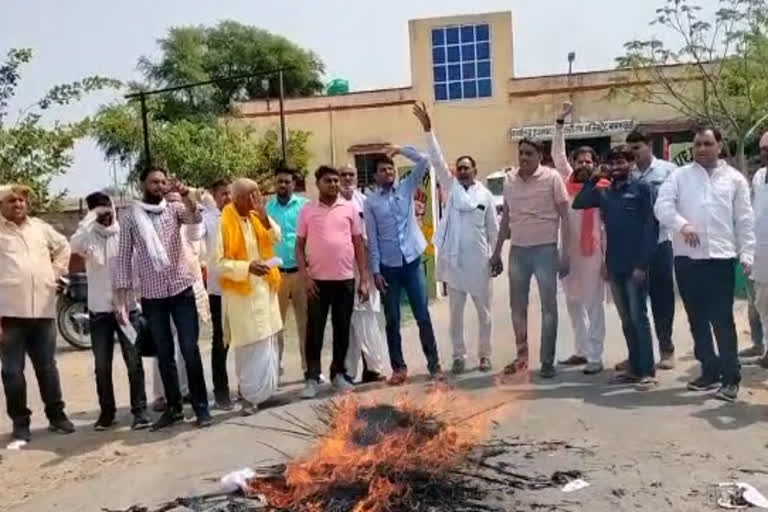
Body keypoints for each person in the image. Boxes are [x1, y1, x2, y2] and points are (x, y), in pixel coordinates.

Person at [655, 127, 754, 403]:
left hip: (721, 259)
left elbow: (744, 220)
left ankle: (731, 378)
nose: (701, 148)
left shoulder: (734, 180)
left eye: (707, 143)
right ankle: (708, 371)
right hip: (687, 259)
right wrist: (681, 224)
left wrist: (747, 255)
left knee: (722, 320)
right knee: (697, 320)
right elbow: (662, 207)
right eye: (697, 144)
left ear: (719, 146)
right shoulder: (679, 177)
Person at [115, 167, 213, 430]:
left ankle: (202, 409)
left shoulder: (174, 208)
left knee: (190, 350)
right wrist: (121, 298)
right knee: (165, 355)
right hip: (152, 296)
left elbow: (194, 219)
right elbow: (123, 256)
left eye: (162, 182)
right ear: (142, 185)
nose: (158, 186)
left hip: (182, 290)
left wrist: (187, 195)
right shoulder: (130, 217)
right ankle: (173, 410)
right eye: (153, 182)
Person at [413, 103, 499, 374]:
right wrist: (428, 130)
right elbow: (437, 161)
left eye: (466, 168)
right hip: (455, 265)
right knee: (456, 317)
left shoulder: (485, 196)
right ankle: (459, 356)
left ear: (475, 171)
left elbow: (494, 230)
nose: (462, 171)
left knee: (485, 315)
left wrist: (496, 257)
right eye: (459, 168)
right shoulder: (451, 189)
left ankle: (485, 356)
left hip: (480, 264)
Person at [573, 146, 659, 390]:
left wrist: (642, 264)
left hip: (636, 267)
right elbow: (578, 204)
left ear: (631, 163)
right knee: (626, 320)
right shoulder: (606, 192)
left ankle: (647, 370)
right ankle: (634, 368)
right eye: (613, 164)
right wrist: (593, 178)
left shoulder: (643, 189)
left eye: (622, 162)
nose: (617, 167)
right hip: (615, 265)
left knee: (639, 317)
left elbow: (651, 228)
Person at [490, 138, 571, 379]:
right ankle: (522, 357)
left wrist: (565, 253)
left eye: (529, 153)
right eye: (521, 153)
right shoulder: (509, 180)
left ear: (540, 155)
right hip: (518, 251)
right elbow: (505, 220)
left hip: (546, 250)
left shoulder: (552, 178)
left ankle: (547, 361)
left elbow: (566, 218)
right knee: (517, 307)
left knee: (549, 308)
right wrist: (496, 253)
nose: (523, 157)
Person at [0, 184, 75, 442]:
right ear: (2, 206)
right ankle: (20, 423)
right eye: (11, 201)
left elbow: (64, 246)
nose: (18, 204)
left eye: (21, 201)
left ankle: (57, 417)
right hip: (9, 315)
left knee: (47, 368)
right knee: (11, 372)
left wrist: (55, 273)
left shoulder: (40, 228)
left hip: (43, 311)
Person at [364, 145, 443, 386]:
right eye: (382, 170)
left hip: (412, 263)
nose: (387, 172)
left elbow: (425, 160)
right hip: (388, 268)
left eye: (390, 169)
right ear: (375, 176)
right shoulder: (371, 203)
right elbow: (373, 238)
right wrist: (376, 271)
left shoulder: (407, 188)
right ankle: (398, 368)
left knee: (422, 315)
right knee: (393, 320)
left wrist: (399, 149)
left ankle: (434, 364)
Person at [70, 192, 149, 430]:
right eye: (98, 210)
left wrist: (129, 299)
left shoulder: (124, 232)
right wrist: (90, 217)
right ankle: (107, 413)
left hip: (127, 310)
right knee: (102, 366)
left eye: (107, 208)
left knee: (133, 362)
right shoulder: (88, 237)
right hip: (99, 313)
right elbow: (74, 245)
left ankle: (140, 412)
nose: (105, 214)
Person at [297, 166, 370, 398]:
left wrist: (364, 279)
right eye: (328, 180)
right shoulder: (307, 210)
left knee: (342, 330)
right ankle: (311, 378)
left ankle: (338, 374)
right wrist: (305, 277)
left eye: (336, 181)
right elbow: (299, 246)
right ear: (317, 183)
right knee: (314, 331)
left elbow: (358, 243)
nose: (334, 184)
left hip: (345, 280)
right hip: (317, 282)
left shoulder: (349, 208)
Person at [215, 178, 281, 415]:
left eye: (258, 194)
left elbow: (276, 238)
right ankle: (249, 396)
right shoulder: (223, 222)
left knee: (267, 342)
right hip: (242, 297)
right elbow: (219, 264)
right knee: (249, 346)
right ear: (238, 198)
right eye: (251, 196)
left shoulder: (257, 216)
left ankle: (265, 393)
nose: (257, 199)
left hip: (265, 292)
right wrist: (247, 267)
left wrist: (264, 217)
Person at [551, 102, 607, 375]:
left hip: (595, 256)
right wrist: (559, 123)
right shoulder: (566, 181)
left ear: (595, 165)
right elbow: (556, 153)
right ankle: (582, 350)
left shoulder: (604, 188)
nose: (584, 165)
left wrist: (607, 260)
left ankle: (596, 356)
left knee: (594, 305)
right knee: (573, 303)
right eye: (579, 161)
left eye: (588, 161)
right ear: (573, 164)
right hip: (570, 254)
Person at [150, 189, 209, 412]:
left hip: (190, 290)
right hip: (163, 292)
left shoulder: (192, 228)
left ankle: (187, 392)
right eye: (171, 201)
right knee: (163, 348)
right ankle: (161, 395)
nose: (175, 206)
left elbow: (200, 256)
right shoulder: (157, 228)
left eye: (179, 202)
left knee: (188, 346)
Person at [626, 130, 678, 370]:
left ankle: (666, 349)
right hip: (634, 247)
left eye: (637, 147)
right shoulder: (627, 174)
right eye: (631, 150)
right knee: (635, 304)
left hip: (661, 244)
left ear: (648, 145)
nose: (634, 154)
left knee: (662, 299)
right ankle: (638, 352)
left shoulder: (668, 171)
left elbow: (679, 202)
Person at [339, 165, 388, 383]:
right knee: (348, 323)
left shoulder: (364, 202)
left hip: (364, 269)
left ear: (357, 178)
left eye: (351, 175)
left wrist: (370, 272)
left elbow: (372, 236)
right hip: (340, 271)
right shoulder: (332, 204)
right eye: (343, 175)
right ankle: (348, 371)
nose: (347, 178)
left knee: (368, 318)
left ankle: (373, 368)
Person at [266, 167, 311, 379]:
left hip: (301, 273)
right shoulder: (268, 208)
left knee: (306, 323)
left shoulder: (304, 206)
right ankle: (275, 368)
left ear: (294, 184)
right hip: (277, 274)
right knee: (276, 324)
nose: (282, 185)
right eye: (279, 182)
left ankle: (309, 368)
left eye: (287, 182)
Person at [202, 178, 234, 409]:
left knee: (244, 339)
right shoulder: (207, 220)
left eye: (231, 193)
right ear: (214, 196)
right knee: (220, 341)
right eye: (223, 194)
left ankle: (247, 388)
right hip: (219, 291)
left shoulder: (243, 216)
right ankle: (221, 391)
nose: (228, 198)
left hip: (243, 289)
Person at [749, 131, 768, 366]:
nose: (765, 153)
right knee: (763, 303)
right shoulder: (759, 177)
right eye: (763, 149)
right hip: (761, 252)